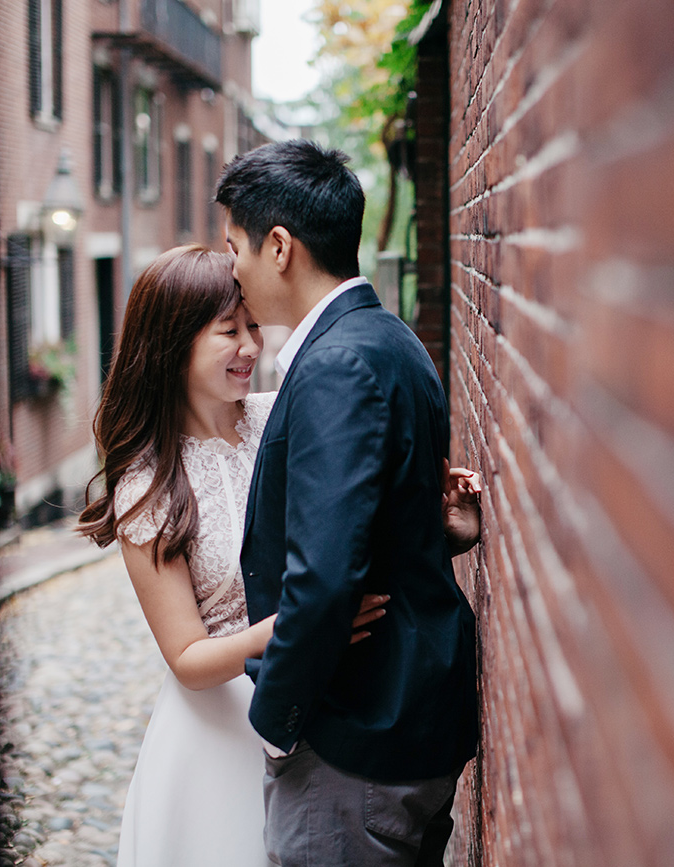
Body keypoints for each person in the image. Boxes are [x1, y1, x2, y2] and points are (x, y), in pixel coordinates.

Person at [77, 246, 481, 866]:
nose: (250, 347)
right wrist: (298, 628)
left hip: (321, 711)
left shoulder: (283, 415)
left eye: (254, 327)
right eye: (229, 332)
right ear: (172, 344)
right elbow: (186, 657)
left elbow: (345, 546)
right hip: (219, 732)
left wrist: (439, 530)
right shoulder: (148, 486)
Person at [216, 140, 480, 866]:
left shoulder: (335, 363)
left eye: (234, 245)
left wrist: (277, 723)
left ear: (279, 247)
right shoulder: (390, 336)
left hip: (357, 740)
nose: (231, 267)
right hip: (406, 717)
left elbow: (325, 572)